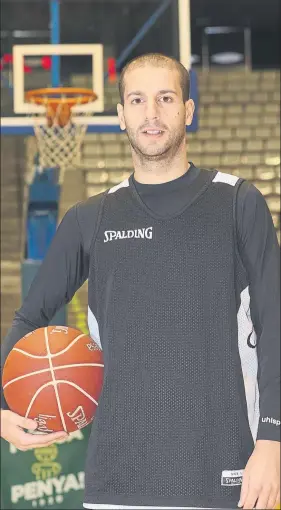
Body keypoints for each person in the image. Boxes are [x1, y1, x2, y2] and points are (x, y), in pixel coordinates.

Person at [1, 53, 280, 510]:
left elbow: (275, 326)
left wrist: (273, 439)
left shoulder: (238, 203)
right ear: (121, 116)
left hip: (225, 474)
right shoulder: (90, 219)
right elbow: (29, 317)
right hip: (116, 481)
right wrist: (2, 407)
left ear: (188, 110)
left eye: (165, 98)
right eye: (137, 100)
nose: (151, 113)